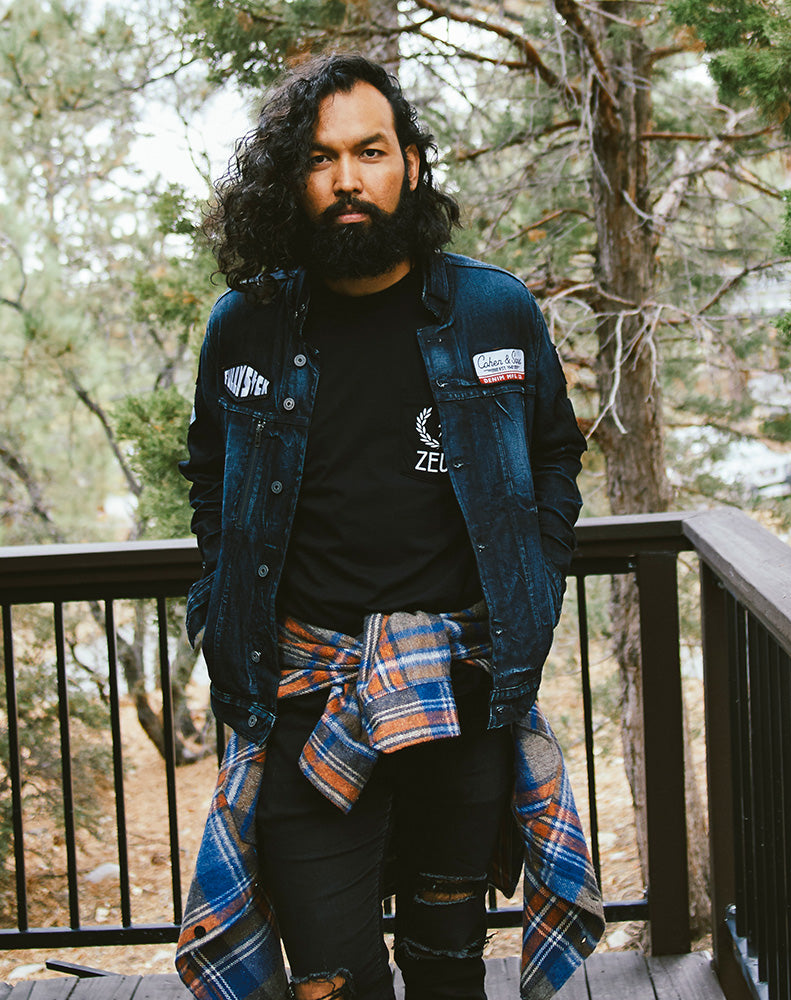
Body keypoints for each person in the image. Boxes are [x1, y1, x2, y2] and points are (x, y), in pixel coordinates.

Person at [175, 52, 602, 1000]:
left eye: (370, 152)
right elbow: (209, 472)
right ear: (293, 179)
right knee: (333, 976)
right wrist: (218, 599)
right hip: (302, 700)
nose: (347, 180)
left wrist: (536, 582)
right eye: (322, 159)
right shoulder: (245, 327)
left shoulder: (494, 312)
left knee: (448, 966)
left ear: (409, 161)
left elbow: (554, 456)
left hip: (458, 696)